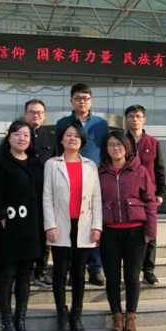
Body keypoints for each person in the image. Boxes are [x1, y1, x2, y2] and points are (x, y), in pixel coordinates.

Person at [0, 120, 44, 331]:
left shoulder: (36, 163)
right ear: (9, 137)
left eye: (26, 135)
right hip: (8, 227)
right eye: (17, 134)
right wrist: (1, 215)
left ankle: (21, 321)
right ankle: (7, 323)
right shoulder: (0, 162)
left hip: (30, 228)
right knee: (8, 273)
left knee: (25, 276)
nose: (22, 138)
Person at [43, 123, 102, 331]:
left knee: (79, 272)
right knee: (60, 272)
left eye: (77, 136)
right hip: (60, 224)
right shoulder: (52, 164)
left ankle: (76, 314)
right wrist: (50, 225)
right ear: (61, 139)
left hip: (84, 224)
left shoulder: (90, 165)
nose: (72, 138)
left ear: (82, 141)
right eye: (68, 135)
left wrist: (97, 226)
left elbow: (96, 198)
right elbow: (47, 197)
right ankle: (62, 314)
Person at [98, 130, 156, 331]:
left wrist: (150, 230)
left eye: (120, 144)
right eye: (111, 144)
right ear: (106, 149)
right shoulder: (99, 172)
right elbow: (94, 203)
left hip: (135, 231)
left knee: (132, 276)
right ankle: (116, 315)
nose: (116, 148)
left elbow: (150, 201)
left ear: (127, 147)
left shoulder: (139, 170)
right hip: (109, 233)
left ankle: (131, 316)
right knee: (112, 277)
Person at [55, 83, 109, 286]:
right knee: (70, 225)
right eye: (78, 98)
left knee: (92, 223)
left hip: (93, 177)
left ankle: (95, 269)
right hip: (69, 177)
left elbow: (105, 150)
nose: (82, 102)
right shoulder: (63, 123)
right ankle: (72, 269)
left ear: (91, 101)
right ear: (71, 101)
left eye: (85, 98)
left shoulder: (101, 124)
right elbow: (58, 149)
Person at [124, 104, 166, 285]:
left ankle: (148, 271)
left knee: (150, 233)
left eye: (138, 116)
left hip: (149, 196)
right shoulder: (121, 141)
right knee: (129, 234)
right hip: (128, 195)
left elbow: (160, 170)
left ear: (144, 119)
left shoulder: (153, 142)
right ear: (126, 120)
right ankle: (130, 271)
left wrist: (161, 192)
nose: (134, 119)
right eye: (131, 116)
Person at [23, 98, 58, 288]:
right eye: (32, 112)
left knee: (44, 234)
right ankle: (24, 270)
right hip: (23, 194)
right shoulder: (19, 135)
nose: (35, 115)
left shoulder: (51, 139)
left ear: (44, 116)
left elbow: (58, 166)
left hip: (45, 194)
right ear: (25, 114)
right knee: (25, 232)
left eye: (39, 112)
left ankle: (41, 271)